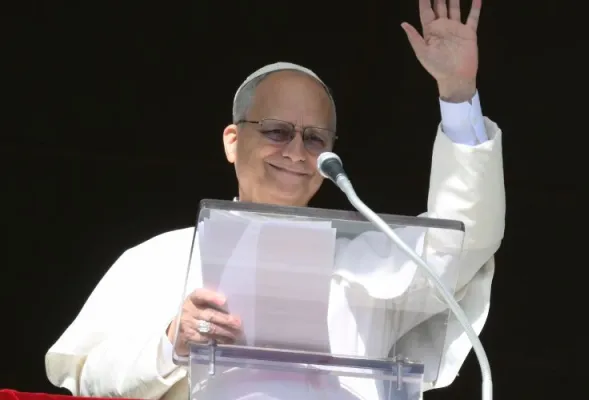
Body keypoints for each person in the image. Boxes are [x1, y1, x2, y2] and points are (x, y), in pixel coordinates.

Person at [46, 0, 505, 399]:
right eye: (276, 131)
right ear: (232, 140)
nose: (295, 151)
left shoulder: (372, 258)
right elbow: (85, 379)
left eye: (314, 139)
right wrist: (171, 344)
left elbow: (464, 242)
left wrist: (458, 94)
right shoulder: (158, 258)